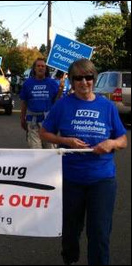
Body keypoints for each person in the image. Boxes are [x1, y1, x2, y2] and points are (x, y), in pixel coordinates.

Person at [40, 59, 127, 265]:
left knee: (99, 232)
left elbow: (123, 140)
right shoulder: (63, 105)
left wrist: (111, 143)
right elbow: (44, 133)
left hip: (102, 179)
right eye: (78, 78)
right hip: (71, 179)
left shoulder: (107, 106)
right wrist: (65, 141)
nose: (84, 82)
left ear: (94, 79)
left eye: (88, 77)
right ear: (71, 80)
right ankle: (70, 259)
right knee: (71, 230)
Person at [20, 58, 61, 149]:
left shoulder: (52, 83)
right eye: (38, 66)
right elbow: (24, 102)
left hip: (48, 123)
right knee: (36, 151)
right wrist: (22, 118)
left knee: (50, 151)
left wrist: (60, 90)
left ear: (46, 69)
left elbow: (57, 102)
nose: (40, 68)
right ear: (34, 68)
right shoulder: (28, 83)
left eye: (43, 66)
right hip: (32, 122)